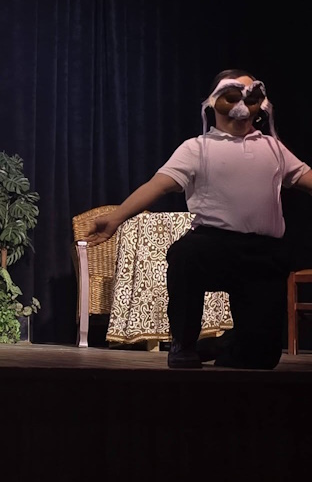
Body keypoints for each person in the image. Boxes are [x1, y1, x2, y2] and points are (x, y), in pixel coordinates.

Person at [85, 69, 312, 369]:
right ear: (214, 101)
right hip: (214, 245)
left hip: (263, 253)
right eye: (233, 96)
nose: (243, 106)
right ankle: (184, 343)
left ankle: (227, 345)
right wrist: (115, 218)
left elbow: (306, 177)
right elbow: (157, 185)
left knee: (260, 359)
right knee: (185, 254)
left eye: (251, 98)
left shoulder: (273, 147)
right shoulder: (197, 148)